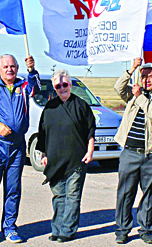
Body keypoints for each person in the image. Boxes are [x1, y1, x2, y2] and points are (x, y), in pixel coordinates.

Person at [0, 54, 39, 244]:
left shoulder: (23, 85)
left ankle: (10, 227)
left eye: (12, 66)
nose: (9, 69)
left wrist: (31, 70)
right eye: (5, 66)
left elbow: (35, 87)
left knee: (13, 189)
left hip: (17, 146)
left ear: (17, 67)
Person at [113, 58, 152, 245]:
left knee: (150, 194)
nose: (147, 80)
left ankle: (146, 229)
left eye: (151, 77)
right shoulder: (133, 94)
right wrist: (132, 69)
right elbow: (118, 87)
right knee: (125, 193)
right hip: (130, 152)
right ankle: (122, 229)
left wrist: (140, 96)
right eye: (144, 76)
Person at [36, 69, 96, 243]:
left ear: (70, 85)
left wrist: (90, 151)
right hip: (54, 161)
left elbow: (90, 131)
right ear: (54, 88)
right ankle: (57, 229)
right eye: (58, 86)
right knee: (58, 196)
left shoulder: (81, 105)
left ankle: (68, 231)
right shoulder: (50, 107)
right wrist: (44, 154)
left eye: (65, 84)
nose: (62, 88)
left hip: (76, 160)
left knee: (72, 195)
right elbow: (43, 132)